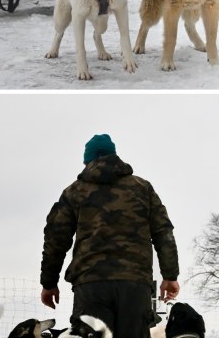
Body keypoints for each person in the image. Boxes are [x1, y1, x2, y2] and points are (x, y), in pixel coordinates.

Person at [40, 134, 180, 336]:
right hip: (134, 285)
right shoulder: (142, 189)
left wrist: (49, 283)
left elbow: (55, 238)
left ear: (87, 161)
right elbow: (163, 231)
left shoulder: (74, 192)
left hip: (91, 285)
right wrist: (170, 275)